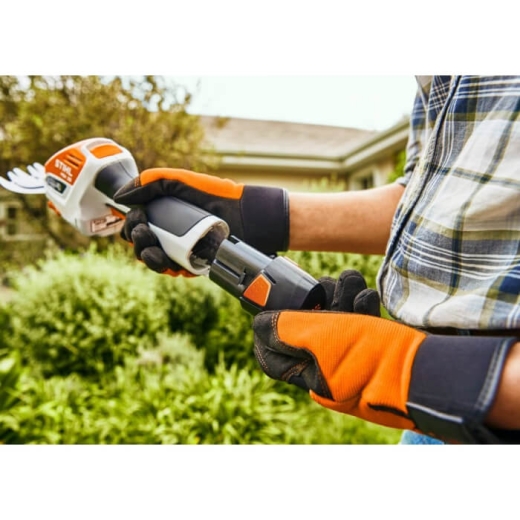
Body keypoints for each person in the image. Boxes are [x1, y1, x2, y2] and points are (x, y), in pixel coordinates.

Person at [114, 75, 520, 444]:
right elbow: (429, 202)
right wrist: (259, 215)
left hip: (474, 397)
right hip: (434, 415)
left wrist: (406, 371)